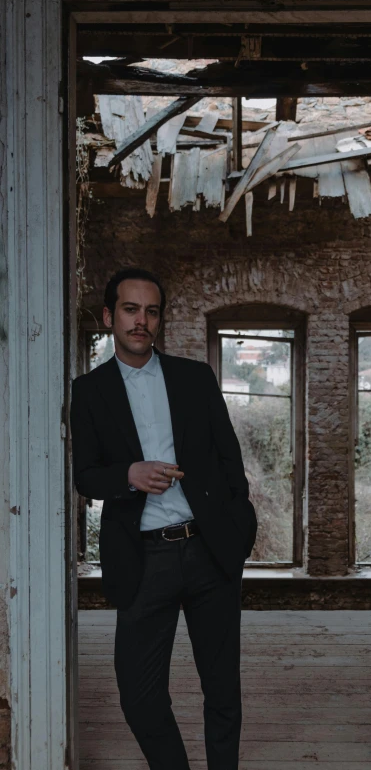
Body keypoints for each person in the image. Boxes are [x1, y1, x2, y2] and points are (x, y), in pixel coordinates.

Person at [70, 267, 258, 770]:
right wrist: (128, 474)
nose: (141, 321)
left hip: (208, 553)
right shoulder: (88, 391)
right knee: (139, 695)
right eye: (130, 310)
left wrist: (238, 536)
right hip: (142, 556)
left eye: (151, 311)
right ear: (111, 317)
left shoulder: (194, 377)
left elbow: (229, 461)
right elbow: (85, 474)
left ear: (159, 320)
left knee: (222, 691)